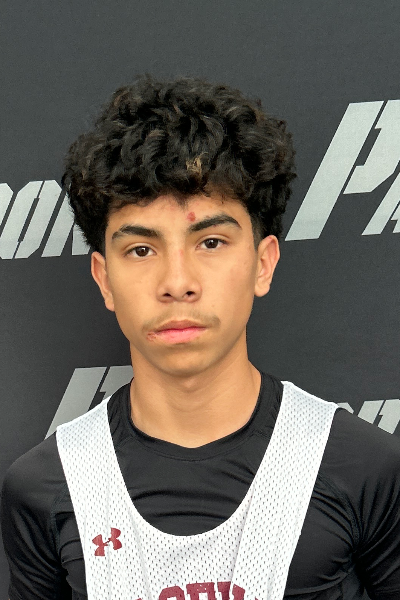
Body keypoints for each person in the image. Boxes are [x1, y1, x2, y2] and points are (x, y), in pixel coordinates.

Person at [1, 75, 400, 600]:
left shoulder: (365, 468)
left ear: (263, 263)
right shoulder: (46, 485)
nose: (177, 282)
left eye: (210, 242)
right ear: (104, 279)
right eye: (141, 250)